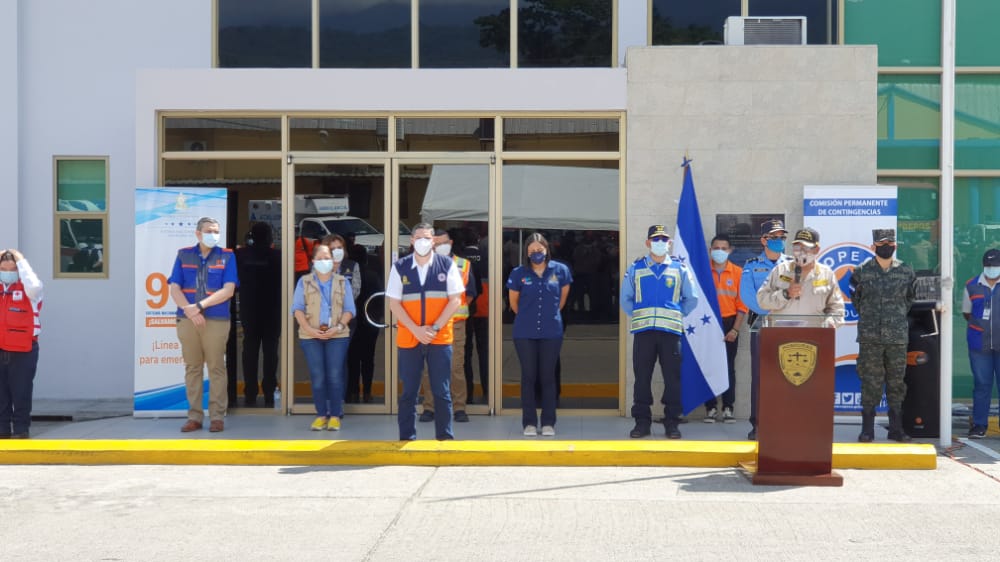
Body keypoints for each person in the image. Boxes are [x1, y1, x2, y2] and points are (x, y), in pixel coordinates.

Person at [387, 222, 464, 441]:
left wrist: (435, 328)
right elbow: (394, 304)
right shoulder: (400, 267)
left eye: (427, 238)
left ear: (434, 241)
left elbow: (455, 300)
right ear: (412, 241)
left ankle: (444, 437)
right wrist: (415, 330)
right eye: (418, 237)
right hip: (409, 337)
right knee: (409, 391)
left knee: (441, 390)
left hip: (439, 337)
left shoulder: (446, 265)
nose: (423, 241)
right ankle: (406, 437)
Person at [620, 225, 698, 440]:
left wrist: (676, 314)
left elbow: (692, 298)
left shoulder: (679, 268)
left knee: (672, 379)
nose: (661, 243)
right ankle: (642, 423)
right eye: (656, 239)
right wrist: (638, 315)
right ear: (648, 243)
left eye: (664, 239)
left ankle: (672, 422)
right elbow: (625, 299)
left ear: (670, 243)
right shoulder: (635, 268)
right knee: (642, 378)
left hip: (671, 332)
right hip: (644, 331)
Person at [168, 217, 238, 433]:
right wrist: (189, 310)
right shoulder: (183, 254)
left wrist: (198, 306)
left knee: (216, 367)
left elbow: (228, 290)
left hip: (216, 320)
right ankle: (195, 417)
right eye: (209, 230)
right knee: (192, 367)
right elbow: (174, 287)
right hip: (187, 320)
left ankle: (217, 416)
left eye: (216, 231)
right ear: (198, 233)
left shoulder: (227, 256)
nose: (213, 234)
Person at [850, 228, 916, 443]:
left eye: (889, 243)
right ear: (874, 246)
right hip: (870, 338)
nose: (885, 247)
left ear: (895, 246)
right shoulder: (861, 271)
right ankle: (867, 429)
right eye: (881, 244)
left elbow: (909, 300)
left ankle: (896, 429)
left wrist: (892, 318)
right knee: (871, 382)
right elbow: (856, 301)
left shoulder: (906, 271)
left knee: (897, 383)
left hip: (897, 337)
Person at [507, 233, 572, 437]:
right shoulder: (519, 274)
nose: (536, 254)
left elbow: (561, 301)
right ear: (527, 252)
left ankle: (548, 422)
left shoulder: (560, 271)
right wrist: (529, 316)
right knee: (528, 376)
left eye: (540, 250)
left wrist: (547, 316)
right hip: (524, 332)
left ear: (547, 250)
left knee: (547, 377)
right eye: (532, 250)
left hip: (551, 331)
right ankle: (529, 423)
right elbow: (513, 304)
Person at [292, 244, 355, 431]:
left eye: (327, 258)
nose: (324, 262)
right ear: (313, 261)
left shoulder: (343, 282)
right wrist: (309, 329)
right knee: (318, 376)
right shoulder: (304, 281)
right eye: (319, 259)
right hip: (310, 336)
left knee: (335, 376)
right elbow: (297, 309)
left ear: (333, 260)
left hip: (338, 335)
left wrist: (338, 327)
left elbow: (350, 310)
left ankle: (335, 415)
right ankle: (321, 415)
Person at [740, 219, 792, 440]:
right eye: (774, 237)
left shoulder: (792, 264)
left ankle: (782, 423)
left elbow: (797, 292)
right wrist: (770, 307)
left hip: (787, 326)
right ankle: (758, 424)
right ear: (764, 240)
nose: (779, 241)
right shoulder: (752, 265)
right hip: (760, 326)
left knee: (786, 376)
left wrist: (779, 308)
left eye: (782, 237)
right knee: (760, 377)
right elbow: (747, 295)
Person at [420, 229, 477, 423]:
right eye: (436, 244)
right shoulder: (425, 265)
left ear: (451, 243)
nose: (439, 247)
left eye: (443, 243)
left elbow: (469, 295)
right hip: (430, 325)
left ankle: (459, 408)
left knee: (455, 368)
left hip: (456, 324)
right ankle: (429, 407)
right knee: (429, 369)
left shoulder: (463, 265)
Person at [757, 227, 845, 327]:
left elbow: (837, 309)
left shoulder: (826, 274)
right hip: (781, 336)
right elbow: (762, 301)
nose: (801, 252)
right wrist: (786, 294)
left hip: (813, 337)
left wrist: (830, 323)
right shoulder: (780, 270)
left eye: (806, 248)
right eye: (797, 247)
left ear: (816, 250)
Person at [235, 222, 281, 408]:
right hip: (272, 311)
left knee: (250, 351)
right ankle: (270, 393)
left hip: (249, 310)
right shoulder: (278, 256)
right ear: (270, 237)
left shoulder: (241, 255)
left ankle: (250, 394)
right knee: (271, 353)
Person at [703, 234, 748, 424]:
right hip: (707, 323)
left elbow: (742, 305)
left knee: (728, 367)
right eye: (716, 248)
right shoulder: (703, 272)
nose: (719, 252)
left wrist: (735, 330)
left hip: (730, 324)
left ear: (730, 251)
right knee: (708, 367)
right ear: (710, 250)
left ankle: (728, 407)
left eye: (723, 248)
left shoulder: (738, 272)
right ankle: (711, 408)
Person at [0, 249, 43, 439]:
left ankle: (20, 429)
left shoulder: (30, 290)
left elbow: (33, 284)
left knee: (21, 392)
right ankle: (2, 430)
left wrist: (21, 260)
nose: (8, 271)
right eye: (3, 268)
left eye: (12, 268)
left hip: (23, 350)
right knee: (1, 395)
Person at [962, 248, 1000, 439]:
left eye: (995, 266)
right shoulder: (971, 285)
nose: (992, 269)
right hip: (979, 345)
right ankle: (979, 425)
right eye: (988, 266)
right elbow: (966, 314)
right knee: (982, 385)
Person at [346, 246, 382, 404]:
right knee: (368, 359)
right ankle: (367, 392)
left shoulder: (347, 276)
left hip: (351, 323)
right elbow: (380, 298)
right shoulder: (373, 275)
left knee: (352, 359)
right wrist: (377, 317)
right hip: (369, 323)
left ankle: (353, 392)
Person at [462, 230, 489, 404]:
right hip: (485, 308)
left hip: (465, 309)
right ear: (478, 240)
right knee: (484, 352)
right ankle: (488, 391)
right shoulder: (486, 256)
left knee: (466, 353)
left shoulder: (460, 259)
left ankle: (468, 392)